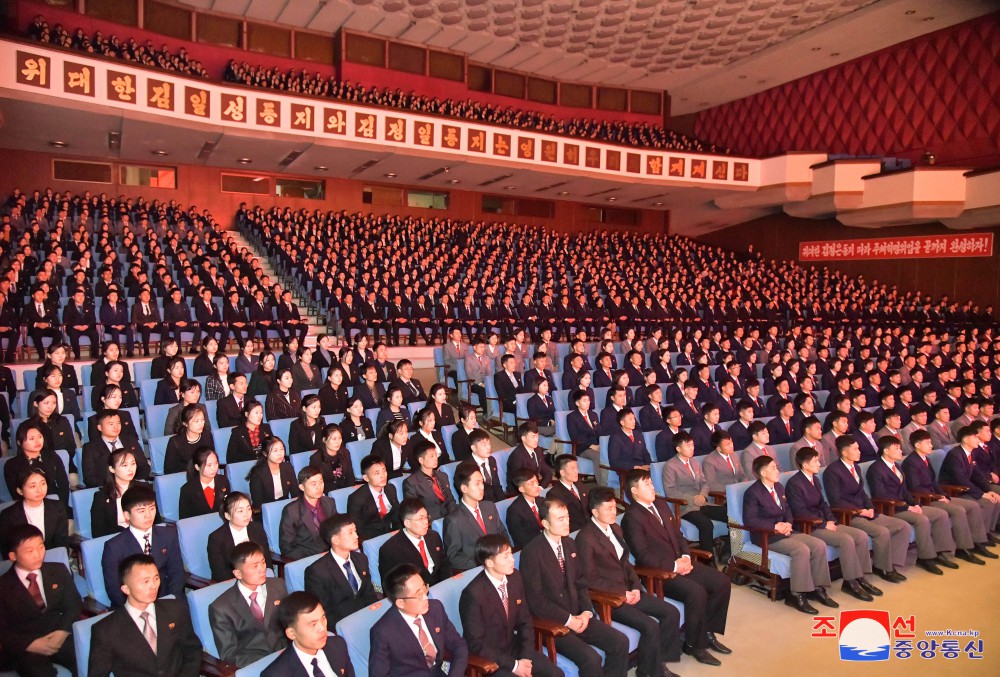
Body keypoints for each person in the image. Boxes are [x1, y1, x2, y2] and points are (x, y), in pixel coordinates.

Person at [622, 469, 731, 667]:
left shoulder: (661, 505)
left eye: (651, 483)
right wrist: (674, 566)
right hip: (659, 572)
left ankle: (707, 632)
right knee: (696, 592)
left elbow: (678, 536)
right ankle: (694, 645)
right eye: (646, 485)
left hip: (680, 561)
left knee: (721, 581)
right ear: (634, 491)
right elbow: (643, 556)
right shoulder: (632, 518)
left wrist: (687, 556)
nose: (652, 487)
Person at [577, 488, 683, 677]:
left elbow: (625, 564)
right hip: (609, 598)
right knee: (650, 625)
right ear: (594, 512)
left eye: (614, 507)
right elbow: (590, 579)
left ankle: (656, 663)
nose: (613, 512)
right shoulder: (586, 538)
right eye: (608, 508)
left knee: (670, 612)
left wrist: (635, 587)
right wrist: (621, 593)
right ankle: (651, 672)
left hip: (629, 590)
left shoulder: (615, 528)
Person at [519, 499, 629, 677]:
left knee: (619, 641)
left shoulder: (569, 544)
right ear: (546, 523)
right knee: (591, 659)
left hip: (579, 615)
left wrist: (586, 611)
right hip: (554, 622)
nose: (566, 522)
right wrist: (568, 619)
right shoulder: (532, 552)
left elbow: (580, 582)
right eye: (560, 519)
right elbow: (535, 600)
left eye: (567, 517)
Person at [785, 447, 882, 602]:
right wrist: (823, 524)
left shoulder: (814, 479)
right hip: (811, 526)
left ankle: (860, 577)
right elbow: (799, 511)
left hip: (824, 521)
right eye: (815, 461)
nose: (819, 464)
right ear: (804, 464)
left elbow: (823, 503)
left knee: (860, 535)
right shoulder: (794, 483)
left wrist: (831, 519)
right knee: (846, 539)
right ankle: (850, 582)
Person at [743, 455, 838, 614]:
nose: (777, 470)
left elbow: (788, 511)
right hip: (768, 536)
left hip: (786, 531)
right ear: (763, 473)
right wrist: (775, 526)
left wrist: (787, 523)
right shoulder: (752, 493)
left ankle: (817, 588)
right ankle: (796, 594)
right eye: (773, 468)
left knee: (818, 544)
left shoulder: (779, 487)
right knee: (801, 550)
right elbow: (750, 520)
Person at [459, 534, 564, 677]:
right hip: (490, 659)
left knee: (556, 674)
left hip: (515, 648)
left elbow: (525, 621)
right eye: (505, 556)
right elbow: (476, 643)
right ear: (489, 562)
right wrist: (514, 665)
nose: (512, 560)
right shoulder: (473, 594)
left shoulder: (515, 577)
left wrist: (526, 657)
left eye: (511, 554)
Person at [88, 554, 202, 677]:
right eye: (146, 581)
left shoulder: (175, 609)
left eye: (156, 578)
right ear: (126, 589)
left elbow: (192, 650)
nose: (153, 586)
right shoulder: (105, 630)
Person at [823, 435, 911, 583]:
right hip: (849, 515)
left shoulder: (856, 467)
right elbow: (835, 500)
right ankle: (883, 568)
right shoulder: (832, 471)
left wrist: (869, 508)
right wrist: (859, 511)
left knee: (902, 526)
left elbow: (862, 493)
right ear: (844, 453)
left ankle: (889, 564)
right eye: (856, 449)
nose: (859, 451)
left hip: (865, 511)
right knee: (881, 532)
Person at [901, 429, 996, 564]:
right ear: (917, 445)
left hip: (936, 495)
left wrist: (943, 495)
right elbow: (915, 488)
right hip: (925, 499)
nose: (931, 445)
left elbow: (934, 481)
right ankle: (961, 549)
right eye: (928, 443)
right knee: (958, 510)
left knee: (973, 506)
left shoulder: (925, 459)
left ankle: (977, 542)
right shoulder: (911, 462)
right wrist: (937, 497)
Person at [0, 524, 81, 677]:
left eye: (41, 547)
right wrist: (30, 644)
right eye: (29, 551)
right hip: (28, 646)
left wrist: (62, 632)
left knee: (88, 659)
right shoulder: (3, 586)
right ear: (13, 556)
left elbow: (74, 605)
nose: (38, 555)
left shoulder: (58, 570)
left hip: (59, 635)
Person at [867, 435, 956, 574]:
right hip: (891, 508)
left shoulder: (896, 466)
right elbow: (881, 495)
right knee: (922, 520)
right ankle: (925, 558)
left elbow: (905, 491)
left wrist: (915, 504)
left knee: (940, 514)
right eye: (896, 448)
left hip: (905, 505)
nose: (900, 450)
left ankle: (939, 552)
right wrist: (907, 507)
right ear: (885, 451)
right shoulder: (876, 469)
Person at [368, 563, 469, 677]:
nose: (426, 597)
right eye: (418, 594)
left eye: (424, 588)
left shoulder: (435, 608)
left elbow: (458, 645)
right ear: (400, 603)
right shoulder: (383, 632)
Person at [100, 483, 185, 608]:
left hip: (165, 601)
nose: (148, 515)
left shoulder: (168, 535)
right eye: (141, 511)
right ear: (127, 515)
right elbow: (114, 590)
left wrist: (171, 603)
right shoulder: (114, 547)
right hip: (132, 608)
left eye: (152, 508)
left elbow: (176, 574)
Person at [209, 542, 289, 667]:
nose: (262, 569)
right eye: (255, 566)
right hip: (254, 665)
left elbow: (290, 623)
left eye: (263, 562)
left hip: (286, 654)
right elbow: (229, 653)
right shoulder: (221, 607)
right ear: (238, 574)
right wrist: (269, 662)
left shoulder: (278, 585)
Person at [661, 432, 728, 556]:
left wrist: (703, 496)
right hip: (686, 507)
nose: (691, 448)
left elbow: (704, 483)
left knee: (731, 516)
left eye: (692, 445)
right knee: (706, 524)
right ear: (678, 448)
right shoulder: (670, 466)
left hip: (702, 502)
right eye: (688, 446)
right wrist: (693, 499)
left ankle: (727, 552)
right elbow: (670, 491)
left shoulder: (695, 462)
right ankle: (707, 561)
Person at [260, 591, 355, 677]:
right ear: (291, 633)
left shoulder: (338, 645)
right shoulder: (276, 674)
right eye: (313, 624)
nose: (322, 628)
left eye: (323, 618)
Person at [304, 515, 377, 626]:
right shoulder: (317, 572)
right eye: (350, 533)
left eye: (355, 531)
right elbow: (324, 612)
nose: (356, 536)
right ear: (335, 540)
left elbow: (369, 594)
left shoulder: (361, 559)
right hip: (341, 624)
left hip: (368, 617)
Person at [443, 465, 509, 570]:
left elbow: (503, 534)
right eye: (477, 483)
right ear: (464, 488)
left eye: (482, 482)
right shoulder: (454, 520)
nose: (482, 487)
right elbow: (453, 556)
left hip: (499, 563)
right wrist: (483, 565)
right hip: (477, 569)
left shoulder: (489, 506)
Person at [938, 425, 1000, 535]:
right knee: (987, 502)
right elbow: (961, 480)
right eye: (975, 437)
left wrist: (988, 490)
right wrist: (982, 494)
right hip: (956, 491)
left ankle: (987, 532)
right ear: (966, 439)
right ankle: (980, 537)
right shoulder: (955, 455)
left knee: (994, 497)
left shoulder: (970, 453)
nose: (977, 440)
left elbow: (978, 475)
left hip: (967, 488)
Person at [378, 498, 452, 586]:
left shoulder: (433, 536)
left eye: (426, 517)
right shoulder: (390, 550)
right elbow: (391, 585)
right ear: (407, 523)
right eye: (420, 519)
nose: (426, 522)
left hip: (441, 587)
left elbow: (444, 564)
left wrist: (447, 585)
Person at [207, 492, 273, 582]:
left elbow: (266, 558)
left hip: (259, 578)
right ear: (227, 515)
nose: (246, 514)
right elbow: (219, 573)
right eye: (240, 511)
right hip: (232, 584)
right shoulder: (216, 538)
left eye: (248, 509)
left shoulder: (257, 528)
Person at [0, 467, 69, 550]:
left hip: (53, 557)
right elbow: (7, 549)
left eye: (43, 484)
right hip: (23, 561)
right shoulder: (7, 515)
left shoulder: (57, 507)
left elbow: (62, 542)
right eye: (33, 486)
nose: (39, 490)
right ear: (20, 491)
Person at [279, 466, 338, 561]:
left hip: (332, 554)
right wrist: (312, 558)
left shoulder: (329, 503)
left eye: (321, 482)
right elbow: (286, 547)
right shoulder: (291, 511)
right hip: (308, 559)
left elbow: (337, 530)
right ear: (302, 487)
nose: (319, 487)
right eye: (313, 484)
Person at [6, 421, 71, 506]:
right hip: (27, 509)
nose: (37, 441)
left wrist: (61, 506)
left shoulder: (52, 456)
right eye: (32, 439)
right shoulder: (11, 465)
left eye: (40, 437)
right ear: (19, 442)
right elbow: (16, 495)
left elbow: (63, 484)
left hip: (56, 505)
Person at [92, 449, 145, 538]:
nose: (130, 469)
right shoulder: (101, 497)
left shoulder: (144, 489)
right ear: (112, 469)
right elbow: (98, 533)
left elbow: (156, 522)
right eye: (125, 465)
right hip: (117, 541)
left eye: (133, 464)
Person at [346, 455, 400, 539]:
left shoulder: (391, 489)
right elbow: (357, 528)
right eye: (377, 473)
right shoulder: (356, 498)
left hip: (390, 534)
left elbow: (397, 516)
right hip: (370, 539)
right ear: (366, 478)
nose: (383, 476)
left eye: (384, 470)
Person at [402, 439, 456, 520]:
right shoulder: (411, 482)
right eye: (431, 456)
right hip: (431, 520)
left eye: (435, 455)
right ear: (421, 460)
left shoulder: (443, 476)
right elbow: (414, 510)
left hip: (451, 517)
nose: (435, 458)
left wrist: (454, 516)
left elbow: (451, 500)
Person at [178, 448, 230, 519]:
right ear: (197, 467)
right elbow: (185, 520)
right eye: (209, 465)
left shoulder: (223, 481)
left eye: (216, 463)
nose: (214, 468)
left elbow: (228, 508)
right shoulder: (187, 490)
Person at [248, 436, 300, 507]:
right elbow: (257, 502)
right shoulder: (257, 473)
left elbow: (295, 493)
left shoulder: (287, 467)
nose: (280, 454)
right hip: (266, 508)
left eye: (281, 449)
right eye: (275, 450)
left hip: (286, 506)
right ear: (265, 454)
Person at [164, 405, 214, 476]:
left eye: (202, 419)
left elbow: (212, 459)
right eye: (196, 421)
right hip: (184, 478)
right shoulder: (175, 442)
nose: (201, 424)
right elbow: (169, 470)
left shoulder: (207, 435)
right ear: (185, 423)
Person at [505, 422, 553, 493]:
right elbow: (518, 483)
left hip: (534, 488)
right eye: (533, 437)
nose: (536, 439)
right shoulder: (517, 456)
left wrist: (541, 487)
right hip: (520, 492)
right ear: (523, 438)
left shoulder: (538, 450)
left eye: (537, 436)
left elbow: (547, 473)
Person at [546, 454, 589, 533]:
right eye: (572, 468)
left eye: (577, 468)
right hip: (574, 532)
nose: (576, 471)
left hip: (590, 527)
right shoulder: (554, 494)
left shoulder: (580, 486)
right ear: (562, 472)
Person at [461, 429, 506, 503]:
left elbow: (497, 486)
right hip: (480, 504)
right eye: (484, 444)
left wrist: (503, 503)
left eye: (489, 443)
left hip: (496, 501)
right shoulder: (465, 467)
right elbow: (469, 495)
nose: (488, 447)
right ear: (474, 448)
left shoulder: (491, 460)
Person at [309, 423, 357, 492]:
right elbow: (317, 484)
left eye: (340, 438)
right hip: (327, 493)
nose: (337, 442)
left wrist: (349, 491)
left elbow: (350, 476)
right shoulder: (316, 459)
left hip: (345, 490)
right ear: (324, 440)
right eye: (334, 439)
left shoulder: (345, 453)